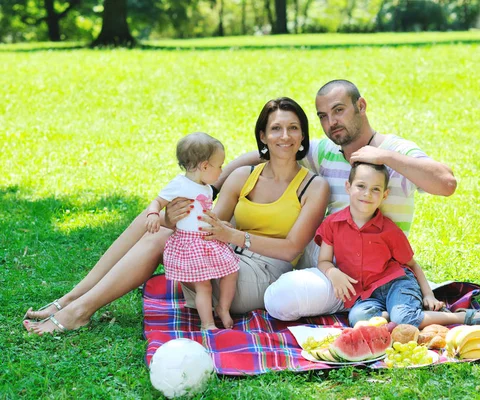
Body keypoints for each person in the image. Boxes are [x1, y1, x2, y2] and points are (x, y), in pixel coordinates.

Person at [23, 97, 329, 335]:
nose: (284, 136)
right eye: (276, 128)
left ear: (303, 135)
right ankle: (73, 299)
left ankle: (77, 310)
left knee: (160, 237)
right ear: (263, 135)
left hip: (263, 274)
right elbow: (207, 226)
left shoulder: (314, 187)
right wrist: (171, 218)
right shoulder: (243, 177)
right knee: (158, 225)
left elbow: (292, 248)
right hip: (224, 257)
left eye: (293, 128)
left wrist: (234, 236)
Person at [208, 79, 456, 321]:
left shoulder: (396, 150)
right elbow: (271, 153)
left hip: (369, 269)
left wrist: (385, 157)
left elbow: (446, 184)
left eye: (338, 110)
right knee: (234, 207)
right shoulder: (326, 151)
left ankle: (382, 303)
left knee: (281, 299)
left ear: (361, 106)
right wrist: (213, 187)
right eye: (323, 116)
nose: (331, 122)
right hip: (324, 257)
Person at [317, 162, 480, 328]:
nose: (367, 194)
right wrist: (333, 273)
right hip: (364, 295)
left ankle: (460, 317)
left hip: (396, 283)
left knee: (405, 320)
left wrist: (429, 295)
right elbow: (323, 261)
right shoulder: (332, 224)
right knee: (357, 319)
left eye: (375, 189)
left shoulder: (388, 229)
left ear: (385, 194)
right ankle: (395, 315)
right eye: (361, 186)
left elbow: (412, 264)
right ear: (348, 187)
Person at [146, 132, 239, 330]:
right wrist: (153, 214)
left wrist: (221, 224)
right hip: (191, 244)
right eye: (219, 165)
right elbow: (158, 201)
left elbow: (202, 213)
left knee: (231, 270)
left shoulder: (205, 187)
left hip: (209, 239)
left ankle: (223, 307)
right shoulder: (180, 184)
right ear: (205, 166)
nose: (221, 171)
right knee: (203, 285)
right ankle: (208, 323)